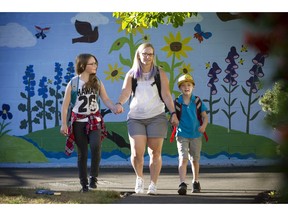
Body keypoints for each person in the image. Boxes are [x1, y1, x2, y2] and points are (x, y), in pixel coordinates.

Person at [115, 43, 179, 195]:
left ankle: (153, 184)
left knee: (155, 153)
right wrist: (119, 103)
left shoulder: (159, 73)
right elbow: (125, 92)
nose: (147, 57)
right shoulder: (131, 74)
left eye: (150, 54)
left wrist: (173, 113)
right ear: (138, 55)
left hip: (157, 117)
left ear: (153, 56)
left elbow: (166, 95)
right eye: (145, 54)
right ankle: (139, 179)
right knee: (137, 153)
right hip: (136, 117)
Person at [60, 53, 117, 193]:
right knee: (82, 153)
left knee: (96, 146)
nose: (95, 66)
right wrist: (64, 124)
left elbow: (106, 99)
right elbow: (65, 105)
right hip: (79, 121)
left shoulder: (97, 81)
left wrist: (114, 107)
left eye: (95, 63)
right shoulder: (73, 83)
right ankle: (84, 184)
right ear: (82, 65)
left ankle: (93, 178)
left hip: (94, 120)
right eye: (92, 64)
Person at [175, 74, 208, 195]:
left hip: (196, 135)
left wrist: (203, 126)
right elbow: (171, 115)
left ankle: (195, 181)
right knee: (183, 158)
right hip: (182, 134)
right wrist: (173, 120)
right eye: (183, 85)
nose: (186, 87)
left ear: (193, 87)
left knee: (195, 160)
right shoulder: (177, 102)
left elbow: (205, 117)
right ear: (180, 88)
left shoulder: (197, 101)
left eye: (189, 85)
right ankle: (182, 183)